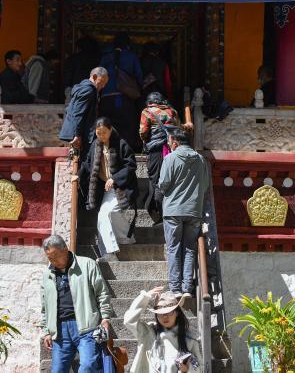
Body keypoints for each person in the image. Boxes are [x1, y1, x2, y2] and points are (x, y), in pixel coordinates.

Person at [40, 234, 113, 373]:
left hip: (86, 326)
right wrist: (46, 331)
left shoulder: (87, 264)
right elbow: (45, 306)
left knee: (88, 366)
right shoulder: (47, 274)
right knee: (57, 370)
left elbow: (102, 292)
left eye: (56, 256)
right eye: (50, 258)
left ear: (65, 249)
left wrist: (105, 317)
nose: (53, 261)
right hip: (59, 330)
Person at [158, 129, 210, 297]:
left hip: (173, 210)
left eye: (169, 142)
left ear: (175, 143)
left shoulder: (170, 158)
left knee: (173, 248)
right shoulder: (201, 160)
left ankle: (175, 288)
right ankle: (187, 288)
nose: (169, 145)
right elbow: (205, 185)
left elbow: (163, 184)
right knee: (190, 248)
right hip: (194, 210)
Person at [79, 117, 138, 260]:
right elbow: (87, 164)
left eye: (104, 132)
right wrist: (76, 176)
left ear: (110, 130)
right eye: (98, 133)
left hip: (121, 187)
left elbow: (131, 165)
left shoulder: (121, 144)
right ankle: (125, 238)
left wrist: (115, 178)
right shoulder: (95, 145)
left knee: (105, 215)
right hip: (105, 189)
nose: (101, 136)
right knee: (107, 216)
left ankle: (110, 252)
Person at [123, 285, 201, 373]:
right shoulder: (148, 332)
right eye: (160, 313)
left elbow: (199, 367)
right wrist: (145, 297)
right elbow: (129, 321)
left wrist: (187, 369)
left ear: (177, 313)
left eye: (169, 312)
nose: (165, 317)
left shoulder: (189, 339)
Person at [139, 92, 180, 223]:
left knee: (155, 180)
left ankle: (158, 211)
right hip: (171, 150)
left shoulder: (147, 112)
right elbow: (178, 129)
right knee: (169, 179)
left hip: (156, 151)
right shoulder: (172, 111)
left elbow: (143, 132)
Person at [99, 33, 143, 150]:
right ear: (128, 45)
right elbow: (139, 76)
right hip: (124, 97)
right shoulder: (131, 56)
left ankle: (109, 149)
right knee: (127, 125)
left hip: (106, 97)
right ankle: (125, 150)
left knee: (107, 124)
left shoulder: (105, 57)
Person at [59, 67, 109, 158]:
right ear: (94, 77)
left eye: (105, 83)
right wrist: (77, 135)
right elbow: (78, 113)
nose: (103, 86)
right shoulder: (88, 89)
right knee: (83, 161)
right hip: (81, 135)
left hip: (80, 133)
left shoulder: (83, 87)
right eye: (102, 82)